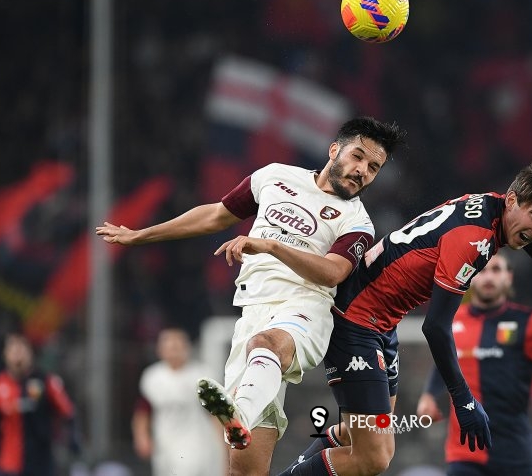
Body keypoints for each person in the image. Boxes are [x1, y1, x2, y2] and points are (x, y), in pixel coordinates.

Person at [96, 116, 407, 476]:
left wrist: (272, 246)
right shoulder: (274, 176)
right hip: (252, 312)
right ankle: (241, 414)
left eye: (373, 168)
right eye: (357, 157)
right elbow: (216, 215)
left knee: (267, 343)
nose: (362, 171)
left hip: (305, 309)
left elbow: (334, 271)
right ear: (334, 150)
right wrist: (140, 235)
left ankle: (239, 412)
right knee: (245, 470)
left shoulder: (357, 221)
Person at [280, 161, 532, 475]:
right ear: (512, 200)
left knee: (357, 433)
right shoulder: (474, 239)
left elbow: (529, 232)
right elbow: (437, 327)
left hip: (380, 323)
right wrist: (464, 400)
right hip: (356, 320)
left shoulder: (492, 206)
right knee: (374, 457)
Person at [416, 251, 532, 476]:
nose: (489, 277)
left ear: (508, 277)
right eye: (482, 270)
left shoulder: (530, 322)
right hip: (464, 452)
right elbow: (444, 364)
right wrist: (429, 395)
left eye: (496, 270)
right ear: (471, 277)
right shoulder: (451, 322)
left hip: (515, 452)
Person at [132, 327, 226, 475]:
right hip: (164, 443)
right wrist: (141, 436)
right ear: (159, 349)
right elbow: (144, 409)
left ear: (187, 348)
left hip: (197, 444)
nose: (173, 351)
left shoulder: (202, 375)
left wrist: (223, 444)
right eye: (168, 347)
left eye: (177, 347)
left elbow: (216, 413)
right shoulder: (152, 377)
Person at [0, 332, 80, 476]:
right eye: (13, 350)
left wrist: (72, 439)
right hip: (9, 464)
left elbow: (67, 411)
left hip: (41, 464)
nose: (18, 355)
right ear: (5, 354)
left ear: (30, 353)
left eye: (22, 349)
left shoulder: (46, 382)